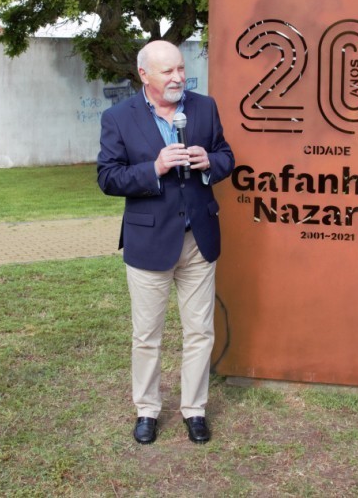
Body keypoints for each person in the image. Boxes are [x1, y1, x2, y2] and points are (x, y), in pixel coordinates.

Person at [97, 40, 235, 445]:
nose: (178, 78)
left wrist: (210, 162)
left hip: (199, 240)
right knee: (147, 335)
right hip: (149, 243)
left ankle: (195, 409)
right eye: (167, 71)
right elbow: (108, 177)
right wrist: (153, 168)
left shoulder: (204, 107)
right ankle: (147, 410)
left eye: (180, 69)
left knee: (199, 331)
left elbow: (227, 155)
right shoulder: (118, 118)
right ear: (144, 75)